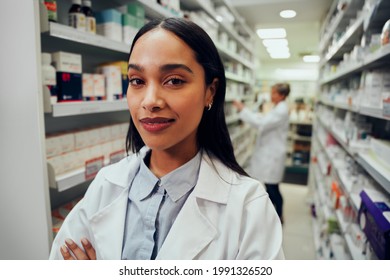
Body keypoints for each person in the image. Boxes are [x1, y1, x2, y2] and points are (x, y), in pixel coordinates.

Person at [49, 17, 284, 260]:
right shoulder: (106, 185)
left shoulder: (249, 208)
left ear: (209, 91)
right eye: (137, 81)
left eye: (174, 81)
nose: (150, 101)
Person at [233, 83, 290, 223]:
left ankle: (278, 216)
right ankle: (274, 215)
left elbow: (261, 123)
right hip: (270, 153)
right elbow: (264, 120)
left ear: (282, 95)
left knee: (272, 188)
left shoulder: (281, 110)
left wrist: (243, 109)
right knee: (271, 187)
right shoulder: (278, 108)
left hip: (273, 154)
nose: (271, 95)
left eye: (274, 93)